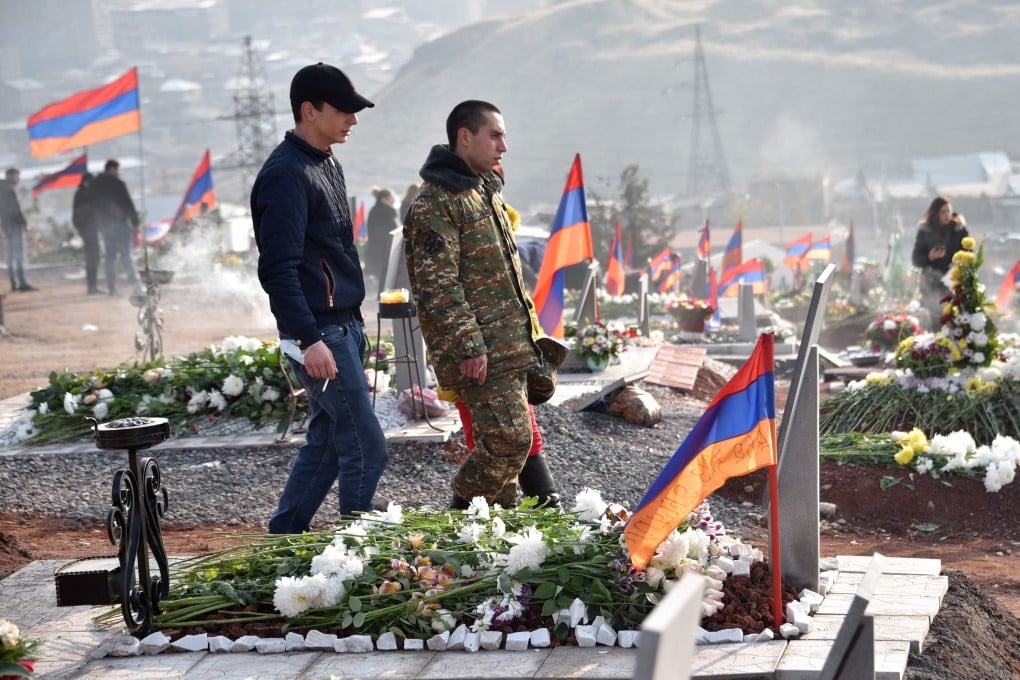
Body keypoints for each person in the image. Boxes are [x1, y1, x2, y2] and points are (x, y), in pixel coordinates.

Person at [252, 62, 387, 533]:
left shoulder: (326, 161)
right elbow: (277, 269)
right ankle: (358, 553)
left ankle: (284, 537)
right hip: (319, 332)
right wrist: (310, 340)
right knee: (367, 445)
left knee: (330, 441)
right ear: (308, 111)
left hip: (342, 324)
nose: (353, 118)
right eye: (344, 109)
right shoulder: (286, 174)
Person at [403, 100, 548, 509]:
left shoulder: (483, 191)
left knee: (504, 445)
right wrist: (468, 345)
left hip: (508, 344)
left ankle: (488, 537)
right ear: (464, 138)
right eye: (495, 135)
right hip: (482, 350)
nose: (503, 146)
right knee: (511, 438)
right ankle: (456, 517)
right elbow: (437, 284)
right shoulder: (436, 203)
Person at [911, 195, 969, 331]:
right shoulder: (925, 231)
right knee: (936, 323)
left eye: (948, 211)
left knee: (957, 322)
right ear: (935, 213)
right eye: (943, 212)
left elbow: (969, 252)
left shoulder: (958, 230)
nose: (947, 215)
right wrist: (929, 257)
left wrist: (959, 262)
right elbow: (915, 259)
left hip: (953, 282)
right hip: (932, 283)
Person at [90, 159, 141, 296]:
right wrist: (135, 223)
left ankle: (112, 288)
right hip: (120, 223)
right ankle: (135, 287)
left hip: (105, 225)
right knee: (126, 256)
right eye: (118, 170)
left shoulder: (94, 185)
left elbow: (92, 206)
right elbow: (127, 203)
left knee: (110, 257)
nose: (119, 173)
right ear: (112, 169)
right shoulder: (118, 184)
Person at [0, 168, 37, 292]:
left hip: (6, 225)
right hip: (15, 225)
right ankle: (23, 283)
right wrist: (24, 223)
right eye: (17, 177)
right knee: (19, 255)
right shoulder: (9, 189)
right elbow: (15, 208)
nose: (18, 179)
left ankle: (13, 283)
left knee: (10, 256)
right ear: (11, 176)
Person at [72, 172, 104, 295]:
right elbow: (80, 214)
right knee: (92, 258)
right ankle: (92, 286)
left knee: (94, 258)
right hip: (88, 230)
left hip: (90, 229)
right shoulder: (82, 194)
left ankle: (93, 285)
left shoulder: (82, 193)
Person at [364, 186, 398, 295]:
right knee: (385, 281)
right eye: (392, 198)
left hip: (375, 251)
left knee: (381, 281)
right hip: (383, 251)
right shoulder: (386, 213)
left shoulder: (374, 211)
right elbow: (388, 234)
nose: (394, 200)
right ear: (384, 199)